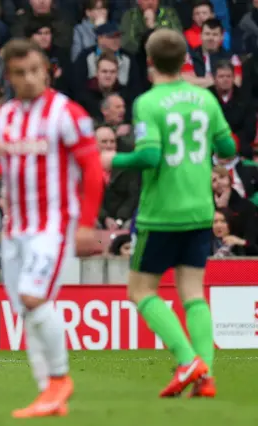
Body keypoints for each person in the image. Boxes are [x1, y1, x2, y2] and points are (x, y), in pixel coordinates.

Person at [0, 39, 104, 418]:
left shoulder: (66, 113)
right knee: (27, 312)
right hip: (15, 229)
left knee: (33, 299)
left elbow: (92, 170)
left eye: (35, 70)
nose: (29, 78)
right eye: (20, 73)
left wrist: (86, 225)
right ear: (9, 76)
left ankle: (59, 379)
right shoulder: (1, 118)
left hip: (53, 226)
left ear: (47, 70)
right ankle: (48, 396)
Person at [101, 28, 237, 398]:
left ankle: (186, 359)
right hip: (199, 209)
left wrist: (112, 158)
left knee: (141, 289)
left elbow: (149, 156)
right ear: (184, 62)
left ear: (149, 62)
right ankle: (205, 375)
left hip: (161, 214)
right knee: (193, 291)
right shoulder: (205, 98)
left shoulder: (149, 102)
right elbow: (227, 146)